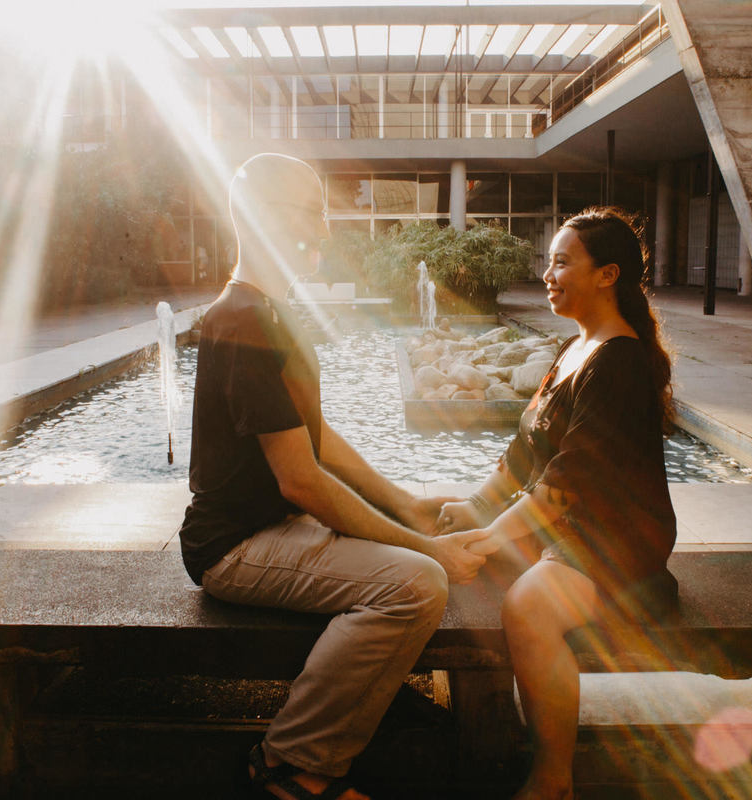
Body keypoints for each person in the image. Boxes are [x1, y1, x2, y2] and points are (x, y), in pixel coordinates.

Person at [177, 153, 488, 800]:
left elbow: (319, 442)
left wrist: (407, 506)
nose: (322, 231)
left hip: (275, 528)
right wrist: (426, 547)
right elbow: (302, 481)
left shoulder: (266, 312)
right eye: (309, 213)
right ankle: (293, 766)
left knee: (414, 562)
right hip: (233, 547)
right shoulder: (243, 321)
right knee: (416, 584)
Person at [437, 208, 678, 800]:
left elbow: (565, 484)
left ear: (607, 275)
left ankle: (552, 779)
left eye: (562, 262)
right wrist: (470, 511)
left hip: (614, 538)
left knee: (528, 608)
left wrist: (490, 538)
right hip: (565, 523)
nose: (548, 273)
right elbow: (523, 458)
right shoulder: (576, 347)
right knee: (431, 521)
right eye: (549, 261)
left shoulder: (617, 360)